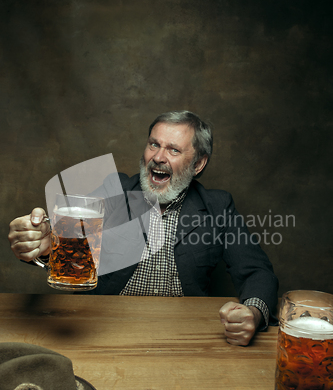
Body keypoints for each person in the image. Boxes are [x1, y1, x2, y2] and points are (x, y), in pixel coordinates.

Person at [8, 111, 278, 346]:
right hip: (106, 328)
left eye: (173, 150)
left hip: (188, 335)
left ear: (198, 164)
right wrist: (43, 246)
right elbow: (69, 243)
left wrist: (253, 313)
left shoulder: (218, 205)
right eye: (154, 145)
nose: (158, 157)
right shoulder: (116, 190)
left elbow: (256, 270)